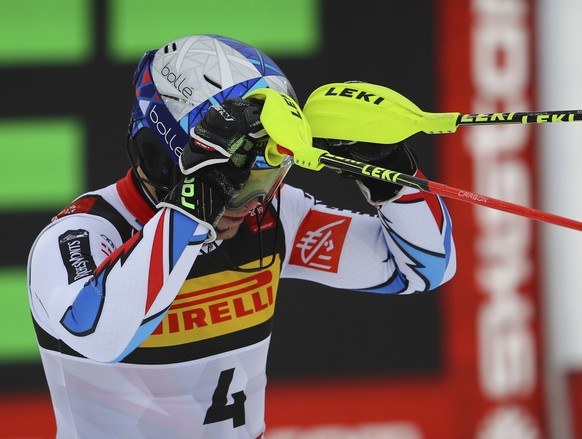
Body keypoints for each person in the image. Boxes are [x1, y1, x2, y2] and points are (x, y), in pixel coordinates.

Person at [27, 34, 456, 439]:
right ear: (157, 157)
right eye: (231, 178)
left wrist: (391, 173)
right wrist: (193, 207)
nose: (250, 201)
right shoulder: (79, 233)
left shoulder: (271, 217)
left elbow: (422, 267)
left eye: (266, 176)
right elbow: (103, 334)